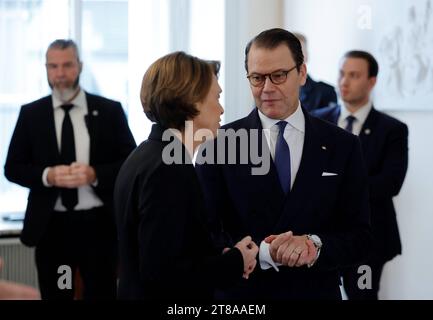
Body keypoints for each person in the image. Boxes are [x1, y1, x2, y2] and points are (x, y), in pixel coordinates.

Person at [195, 28, 372, 299]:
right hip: (244, 297)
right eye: (257, 78)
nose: (267, 88)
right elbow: (204, 236)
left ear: (302, 73)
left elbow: (360, 237)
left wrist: (314, 245)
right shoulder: (217, 146)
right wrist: (261, 252)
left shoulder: (343, 145)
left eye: (278, 76)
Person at [114, 51, 259, 300]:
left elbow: (172, 251)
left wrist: (219, 257)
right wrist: (235, 261)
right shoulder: (168, 169)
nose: (222, 108)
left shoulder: (147, 154)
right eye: (217, 96)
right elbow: (163, 273)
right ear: (192, 101)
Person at [4, 39, 137, 300]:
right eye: (53, 66)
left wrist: (95, 174)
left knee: (102, 294)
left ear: (80, 66)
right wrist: (47, 176)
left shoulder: (109, 111)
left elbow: (130, 163)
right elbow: (13, 168)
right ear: (45, 68)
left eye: (67, 65)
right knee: (58, 294)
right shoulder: (31, 114)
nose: (60, 74)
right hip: (53, 228)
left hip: (99, 225)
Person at [312, 50, 409, 300]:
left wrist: (337, 186)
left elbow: (390, 184)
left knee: (362, 295)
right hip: (322, 236)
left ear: (372, 81)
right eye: (342, 74)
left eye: (354, 75)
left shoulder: (392, 130)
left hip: (370, 239)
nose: (344, 81)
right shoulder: (317, 122)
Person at [293, 32, 337, 112]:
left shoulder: (325, 92)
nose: (293, 58)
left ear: (307, 56)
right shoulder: (272, 91)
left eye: (299, 52)